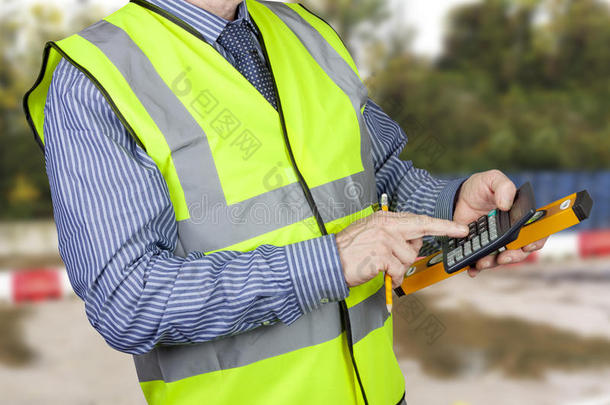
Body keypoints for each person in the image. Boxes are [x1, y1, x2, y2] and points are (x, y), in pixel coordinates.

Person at [23, 0, 547, 404]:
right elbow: (128, 300)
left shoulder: (306, 31)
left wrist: (450, 206)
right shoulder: (95, 80)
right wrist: (330, 262)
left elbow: (379, 174)